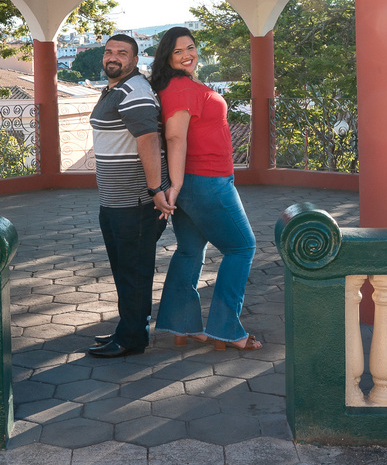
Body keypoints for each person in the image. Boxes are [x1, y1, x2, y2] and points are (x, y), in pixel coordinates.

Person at [149, 26, 261, 351]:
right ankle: (227, 329)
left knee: (189, 250)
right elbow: (175, 136)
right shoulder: (181, 86)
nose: (187, 55)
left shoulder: (182, 83)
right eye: (178, 52)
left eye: (191, 48)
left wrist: (178, 187)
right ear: (168, 57)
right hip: (206, 181)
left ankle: (184, 325)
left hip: (197, 181)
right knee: (242, 248)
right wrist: (178, 184)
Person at [87, 34, 172, 357]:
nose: (113, 57)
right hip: (114, 201)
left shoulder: (134, 90)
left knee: (134, 273)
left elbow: (149, 140)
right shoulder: (113, 89)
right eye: (109, 51)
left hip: (135, 202)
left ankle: (132, 339)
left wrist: (154, 191)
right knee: (125, 271)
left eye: (122, 53)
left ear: (135, 60)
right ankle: (128, 328)